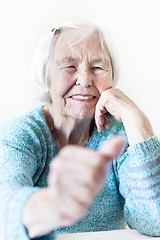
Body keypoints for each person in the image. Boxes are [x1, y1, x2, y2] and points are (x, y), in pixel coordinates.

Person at [0, 21, 160, 240]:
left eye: (97, 67)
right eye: (69, 66)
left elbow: (155, 221)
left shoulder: (119, 135)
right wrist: (54, 203)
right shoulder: (22, 135)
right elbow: (5, 205)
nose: (85, 80)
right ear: (46, 78)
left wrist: (138, 122)